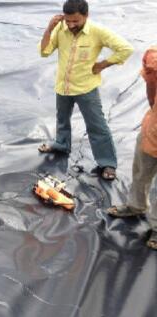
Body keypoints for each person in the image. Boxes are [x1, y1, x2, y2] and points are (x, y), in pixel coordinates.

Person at [37, 0, 133, 180]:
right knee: (62, 119)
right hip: (63, 86)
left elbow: (126, 48)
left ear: (86, 16)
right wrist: (49, 29)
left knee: (96, 125)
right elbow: (44, 52)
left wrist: (103, 64)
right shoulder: (60, 28)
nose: (71, 25)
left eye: (76, 21)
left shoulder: (97, 31)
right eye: (68, 21)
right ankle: (61, 145)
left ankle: (107, 163)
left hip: (85, 88)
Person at [107, 46, 157, 250]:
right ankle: (136, 205)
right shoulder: (154, 58)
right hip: (153, 130)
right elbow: (151, 87)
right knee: (140, 172)